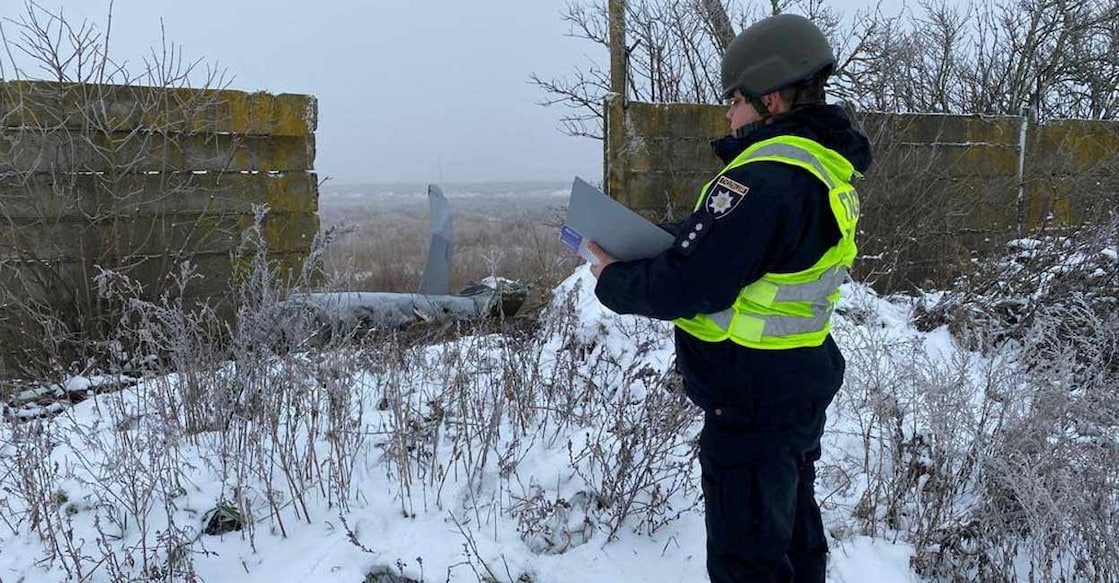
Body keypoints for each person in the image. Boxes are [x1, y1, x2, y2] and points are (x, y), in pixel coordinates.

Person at [587, 13, 872, 583]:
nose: (727, 113)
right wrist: (668, 237)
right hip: (792, 388)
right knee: (791, 538)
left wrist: (610, 276)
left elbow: (691, 285)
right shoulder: (815, 169)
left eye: (733, 100)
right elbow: (733, 247)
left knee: (749, 562)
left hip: (752, 401)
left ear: (769, 99)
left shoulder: (764, 178)